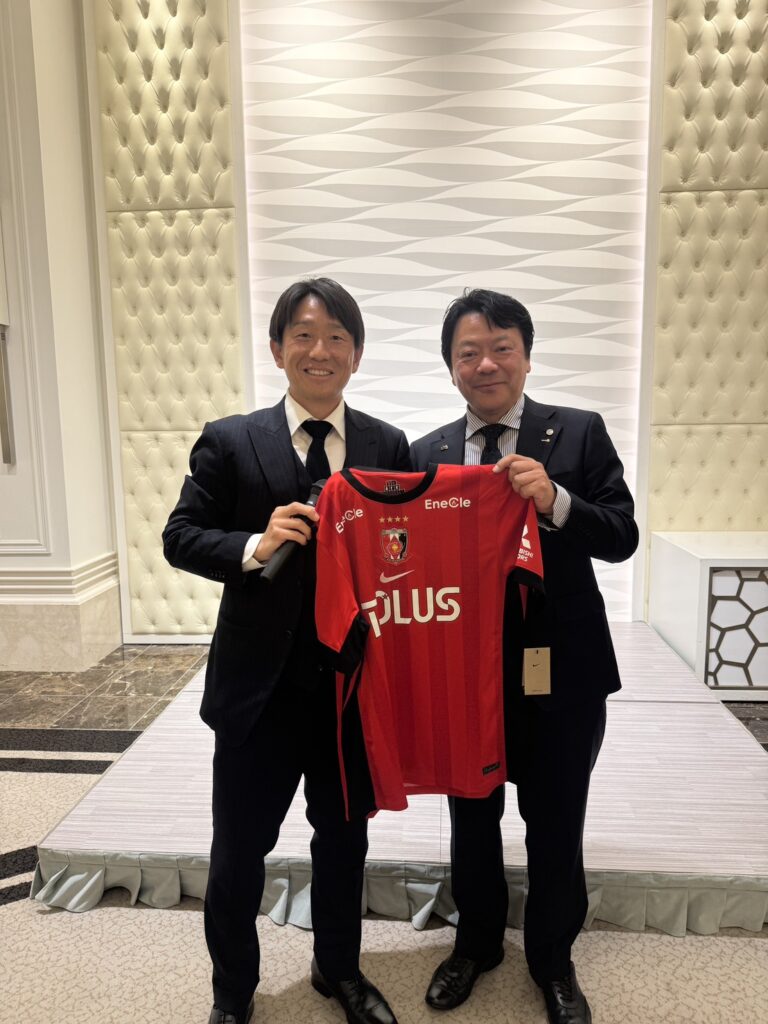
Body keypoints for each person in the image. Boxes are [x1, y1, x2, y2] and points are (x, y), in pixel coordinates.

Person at [163, 278, 409, 1024]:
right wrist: (253, 544)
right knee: (239, 851)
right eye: (303, 335)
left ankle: (338, 970)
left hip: (348, 690)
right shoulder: (231, 438)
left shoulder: (386, 444)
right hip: (256, 693)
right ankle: (232, 993)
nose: (319, 350)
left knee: (344, 842)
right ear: (277, 350)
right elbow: (180, 536)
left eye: (336, 337)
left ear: (357, 354)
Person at [410, 289, 638, 1024]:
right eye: (469, 353)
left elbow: (622, 535)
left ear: (527, 356)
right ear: (450, 367)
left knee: (556, 818)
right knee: (471, 817)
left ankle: (553, 960)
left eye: (501, 348)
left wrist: (556, 501)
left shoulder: (577, 432)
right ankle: (475, 944)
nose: (486, 364)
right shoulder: (426, 453)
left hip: (561, 668)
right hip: (463, 674)